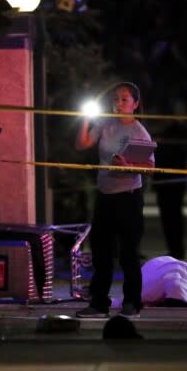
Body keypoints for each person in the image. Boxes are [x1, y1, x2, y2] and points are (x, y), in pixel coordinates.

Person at [74, 82, 155, 318]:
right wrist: (84, 120)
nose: (118, 104)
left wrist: (129, 166)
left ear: (135, 104)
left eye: (124, 100)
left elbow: (149, 167)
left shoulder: (139, 132)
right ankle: (99, 302)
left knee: (129, 252)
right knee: (101, 251)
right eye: (115, 99)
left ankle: (132, 302)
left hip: (128, 197)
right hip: (104, 196)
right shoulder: (105, 124)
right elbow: (82, 144)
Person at [151, 119, 187, 260]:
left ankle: (176, 250)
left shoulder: (168, 145)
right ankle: (176, 250)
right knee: (173, 219)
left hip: (169, 186)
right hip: (170, 186)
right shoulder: (175, 145)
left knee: (171, 219)